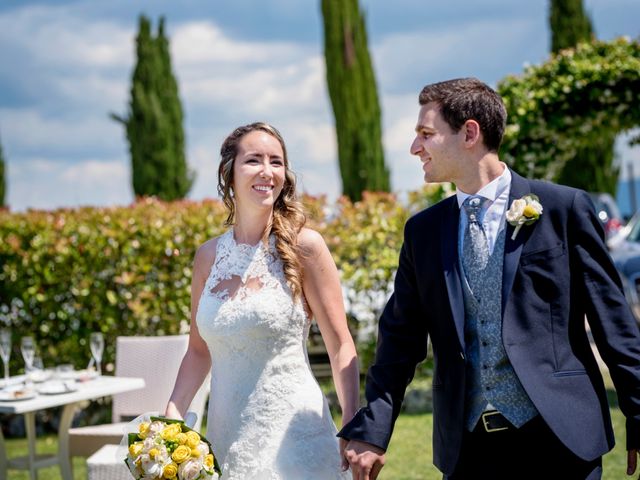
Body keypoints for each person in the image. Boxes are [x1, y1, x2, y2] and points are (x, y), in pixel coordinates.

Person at [339, 78, 640, 480]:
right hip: (468, 451)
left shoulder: (563, 208)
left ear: (470, 133)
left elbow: (612, 321)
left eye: (426, 134)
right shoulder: (424, 232)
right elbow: (399, 340)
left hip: (561, 439)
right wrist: (373, 431)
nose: (415, 148)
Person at [165, 122, 359, 479]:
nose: (268, 172)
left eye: (277, 161)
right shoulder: (207, 257)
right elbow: (198, 350)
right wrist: (173, 414)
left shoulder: (306, 247)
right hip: (226, 439)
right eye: (254, 160)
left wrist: (352, 421)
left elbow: (340, 344)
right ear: (230, 173)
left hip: (295, 440)